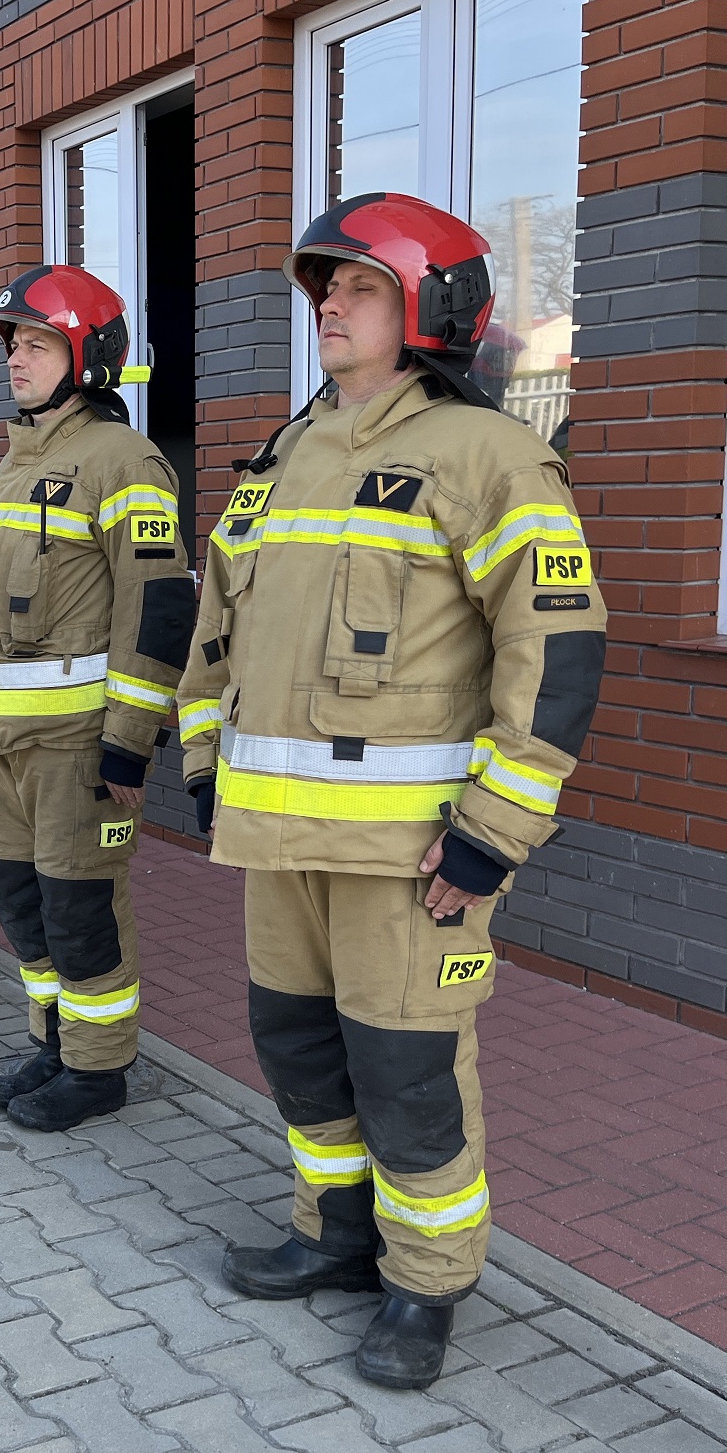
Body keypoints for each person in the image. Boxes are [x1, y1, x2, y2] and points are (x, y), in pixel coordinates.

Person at [174, 192, 608, 1389]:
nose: (330, 305)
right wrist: (205, 764)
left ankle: (427, 1285)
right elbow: (218, 626)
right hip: (279, 846)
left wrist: (491, 836)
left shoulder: (491, 457)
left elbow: (555, 654)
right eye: (324, 286)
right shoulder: (285, 455)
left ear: (429, 304)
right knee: (299, 1052)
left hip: (411, 860)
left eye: (359, 285)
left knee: (409, 1077)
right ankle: (335, 1237)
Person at [0, 266, 186, 1131]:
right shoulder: (13, 465)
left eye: (38, 345)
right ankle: (53, 1042)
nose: (16, 360)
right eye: (12, 346)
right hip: (0, 741)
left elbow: (156, 606)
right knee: (22, 902)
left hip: (75, 745)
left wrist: (130, 738)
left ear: (86, 357)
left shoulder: (124, 461)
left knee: (81, 907)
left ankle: (98, 1068)